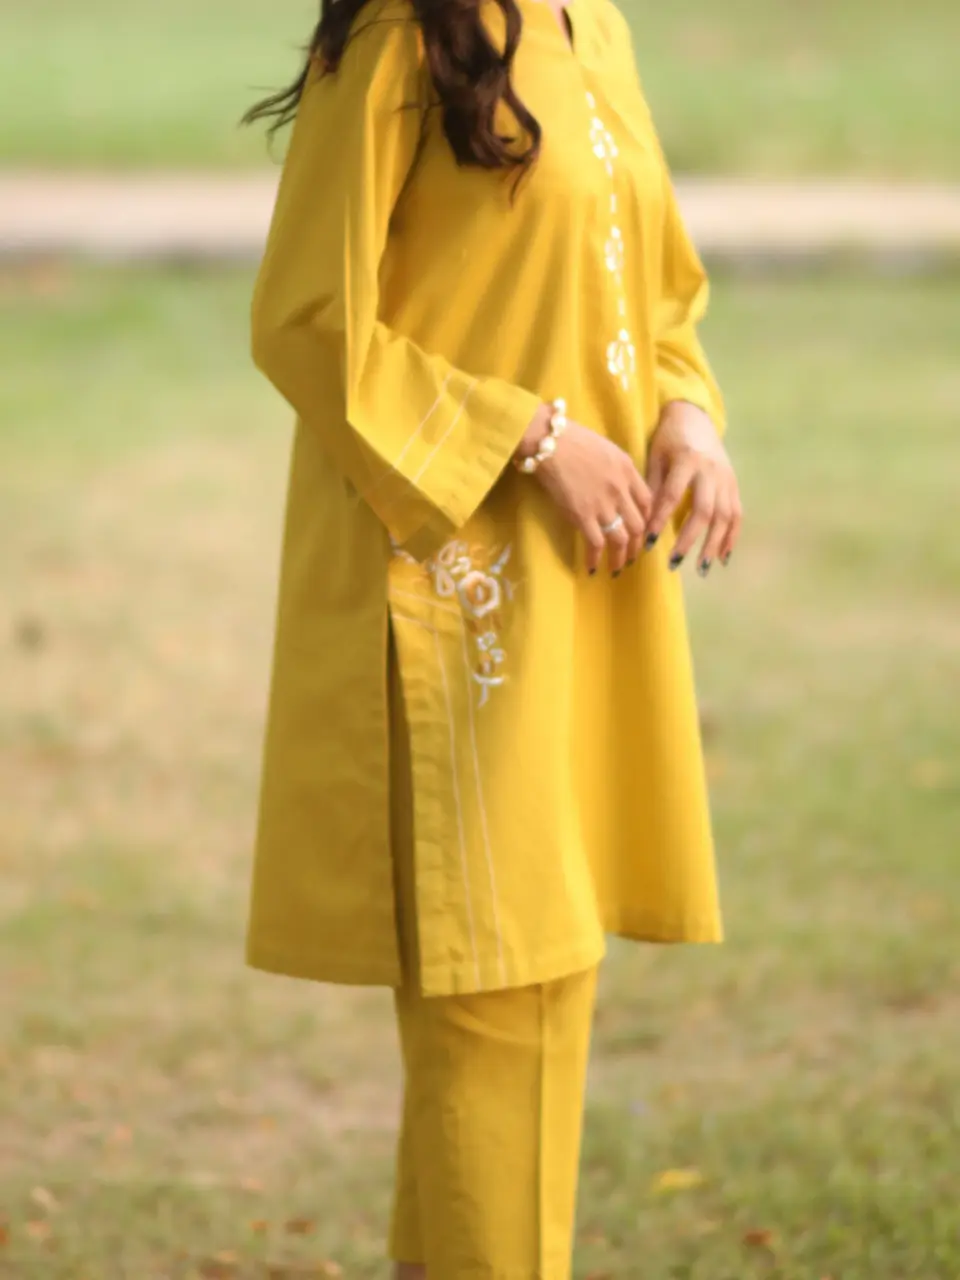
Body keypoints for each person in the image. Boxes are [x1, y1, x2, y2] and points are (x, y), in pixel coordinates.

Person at [244, 0, 742, 1271]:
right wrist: (530, 435)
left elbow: (649, 281)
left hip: (590, 583)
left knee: (541, 977)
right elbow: (308, 317)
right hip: (456, 591)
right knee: (496, 992)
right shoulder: (399, 40)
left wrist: (686, 411)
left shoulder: (594, 25)